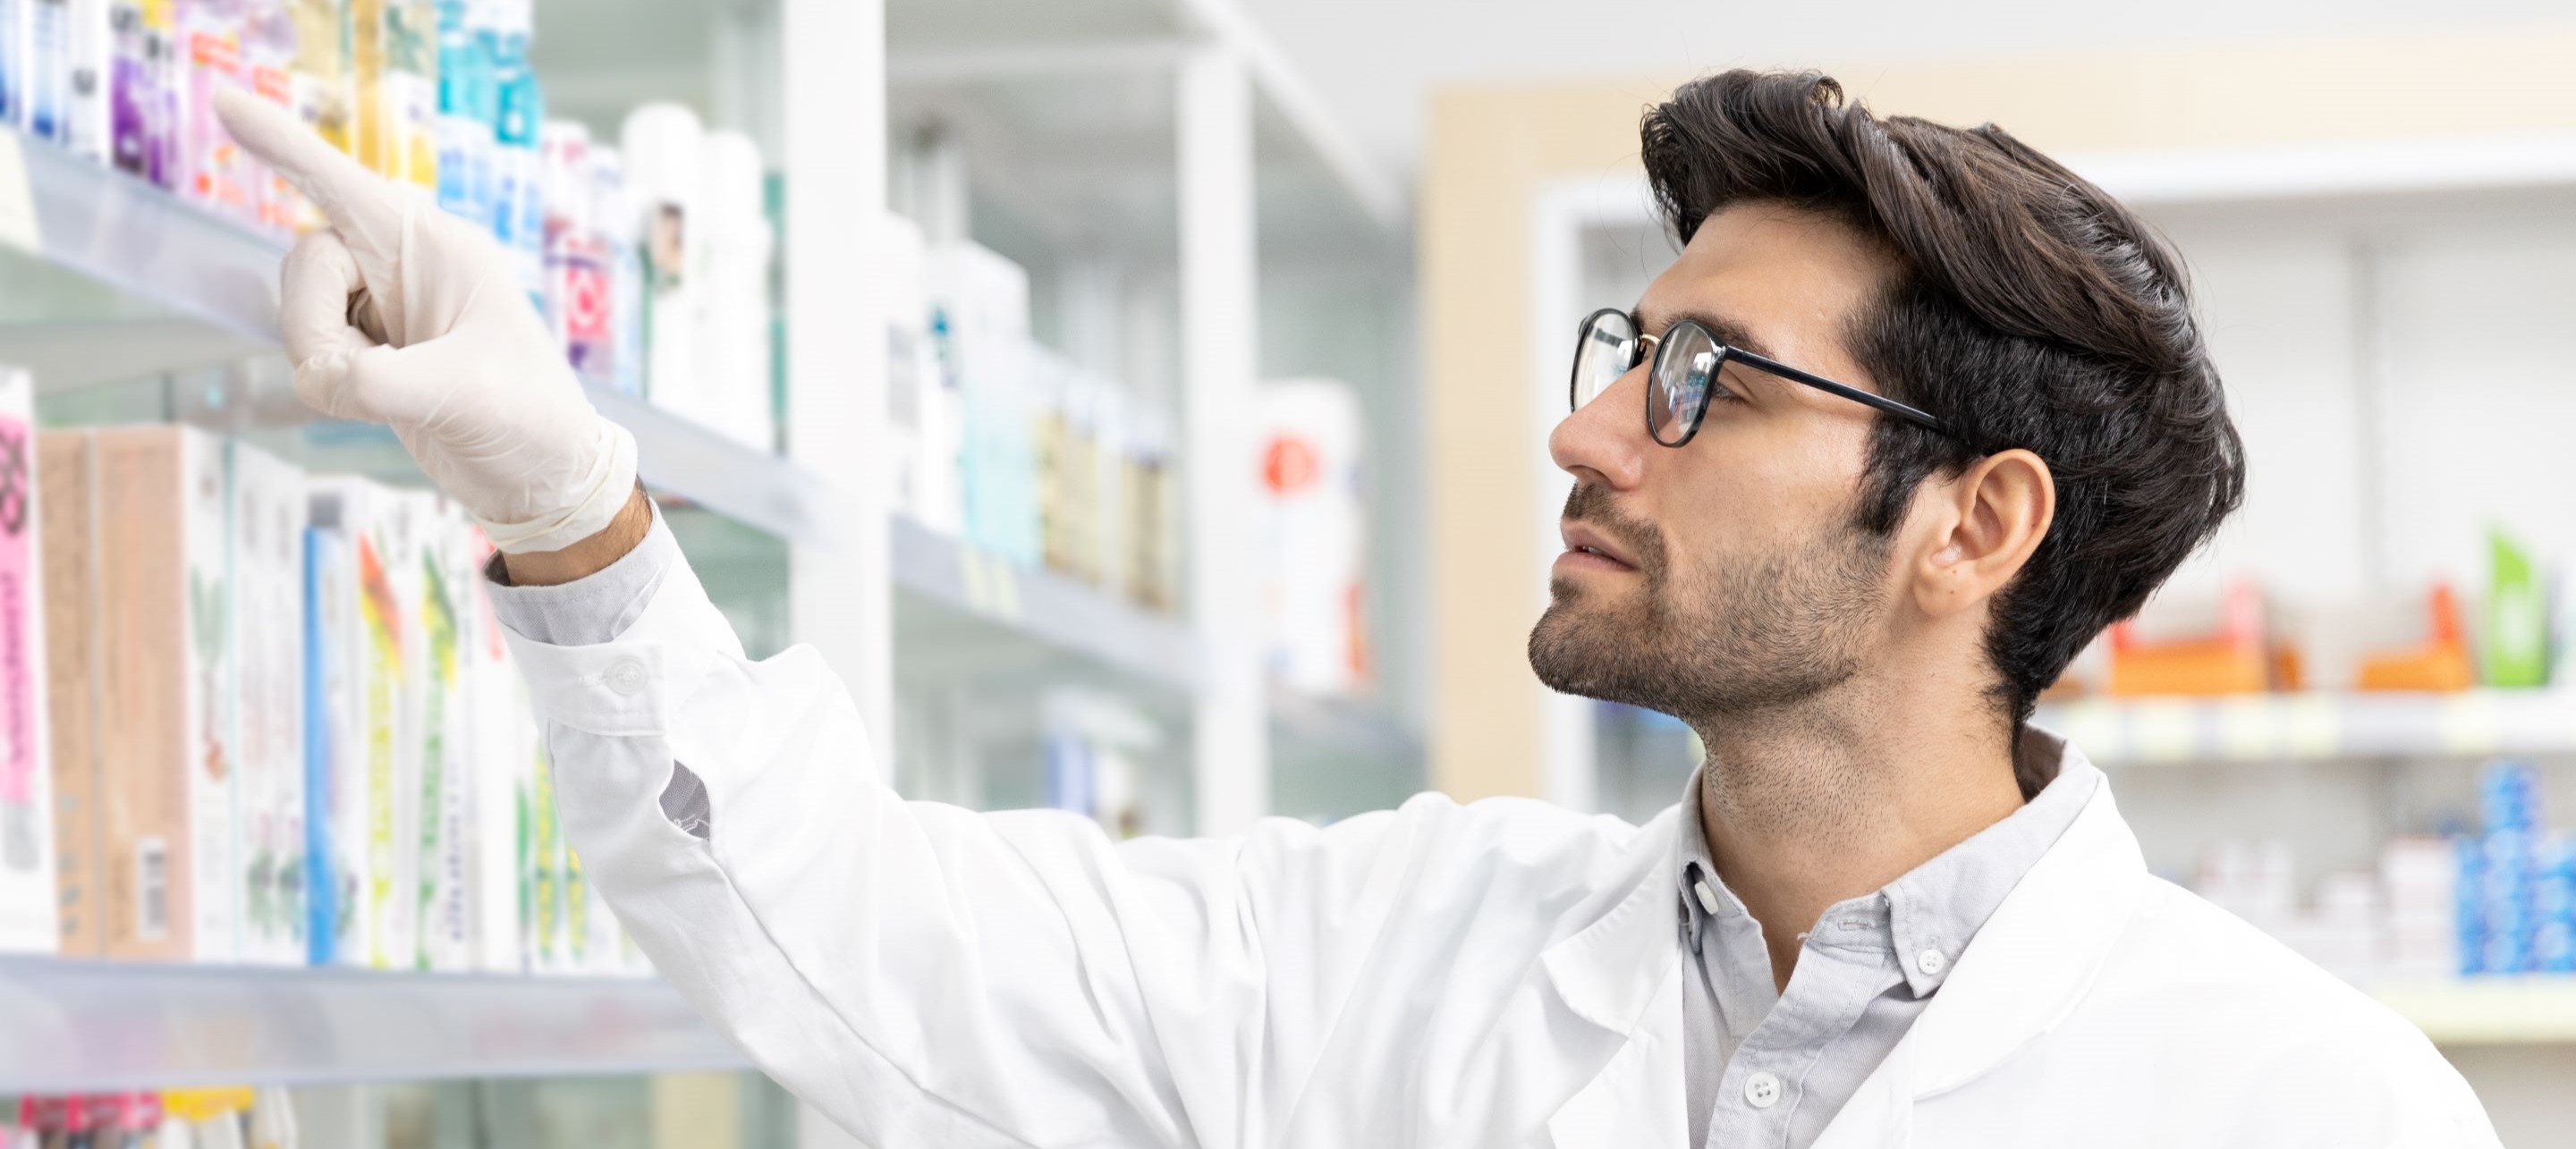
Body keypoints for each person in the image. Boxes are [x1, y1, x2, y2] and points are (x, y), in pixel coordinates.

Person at [214, 69, 2498, 1148]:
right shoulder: (1392, 947)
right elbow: (859, 928)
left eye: (1702, 383)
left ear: (1974, 525)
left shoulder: (2309, 1106)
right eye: (1624, 354)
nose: (1586, 433)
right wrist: (566, 493)